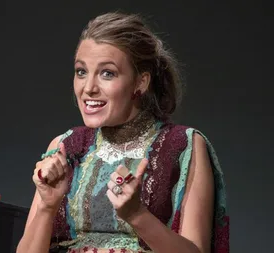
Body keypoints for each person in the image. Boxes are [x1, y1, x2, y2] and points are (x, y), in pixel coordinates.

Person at [17, 12, 229, 253]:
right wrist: (47, 205)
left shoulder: (184, 145)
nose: (88, 88)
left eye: (107, 73)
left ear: (141, 82)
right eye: (81, 72)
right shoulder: (65, 146)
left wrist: (138, 215)